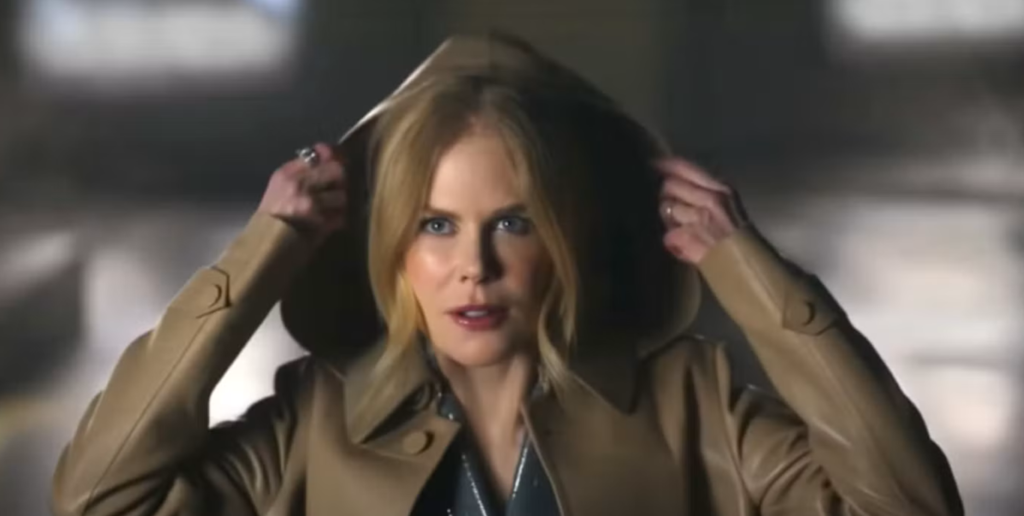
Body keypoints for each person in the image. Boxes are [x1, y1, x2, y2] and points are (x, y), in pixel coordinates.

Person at [52, 33, 963, 516]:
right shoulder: (312, 424)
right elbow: (99, 502)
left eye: (514, 224)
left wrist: (753, 274)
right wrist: (257, 261)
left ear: (565, 239)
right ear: (392, 249)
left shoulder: (696, 407)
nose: (474, 268)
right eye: (435, 226)